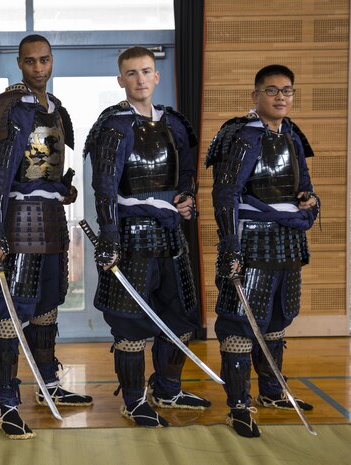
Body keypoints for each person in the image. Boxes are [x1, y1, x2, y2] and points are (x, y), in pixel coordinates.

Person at [83, 46, 210, 428]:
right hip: (132, 238)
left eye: (146, 71)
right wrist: (109, 238)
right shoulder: (115, 125)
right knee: (130, 323)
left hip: (171, 237)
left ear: (156, 77)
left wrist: (186, 198)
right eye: (132, 73)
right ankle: (135, 400)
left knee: (181, 317)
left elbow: (186, 174)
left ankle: (168, 387)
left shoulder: (173, 124)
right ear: (121, 80)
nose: (140, 79)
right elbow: (103, 187)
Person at [0, 34, 92, 440]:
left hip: (52, 222)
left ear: (52, 60)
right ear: (20, 63)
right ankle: (7, 404)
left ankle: (48, 385)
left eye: (45, 60)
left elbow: (43, 170)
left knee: (47, 308)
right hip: (19, 223)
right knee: (9, 317)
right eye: (31, 62)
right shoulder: (10, 108)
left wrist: (64, 188)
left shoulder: (56, 110)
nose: (39, 68)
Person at [206, 64, 318, 438]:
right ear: (255, 96)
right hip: (251, 242)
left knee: (275, 320)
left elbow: (304, 184)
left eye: (287, 90)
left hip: (287, 241)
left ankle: (272, 391)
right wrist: (230, 246)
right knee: (240, 323)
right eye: (272, 90)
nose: (281, 96)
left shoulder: (292, 137)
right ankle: (238, 406)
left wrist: (309, 200)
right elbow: (225, 195)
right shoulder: (243, 135)